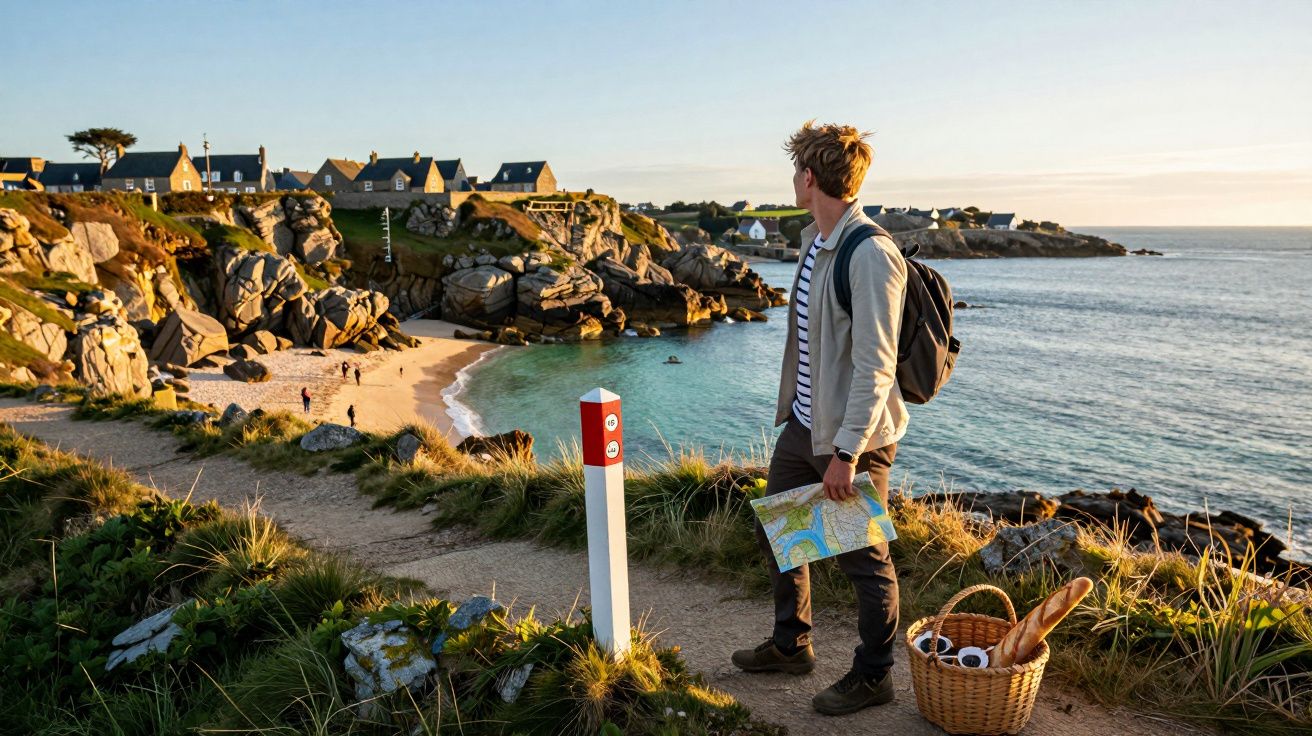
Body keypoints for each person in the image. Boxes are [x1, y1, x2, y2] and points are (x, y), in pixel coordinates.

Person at [730, 121, 908, 717]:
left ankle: (874, 674)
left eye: (795, 171)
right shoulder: (816, 240)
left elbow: (876, 367)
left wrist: (848, 452)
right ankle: (791, 644)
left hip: (851, 437)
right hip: (805, 425)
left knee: (865, 558)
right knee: (777, 531)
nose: (793, 179)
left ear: (809, 178)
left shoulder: (870, 254)